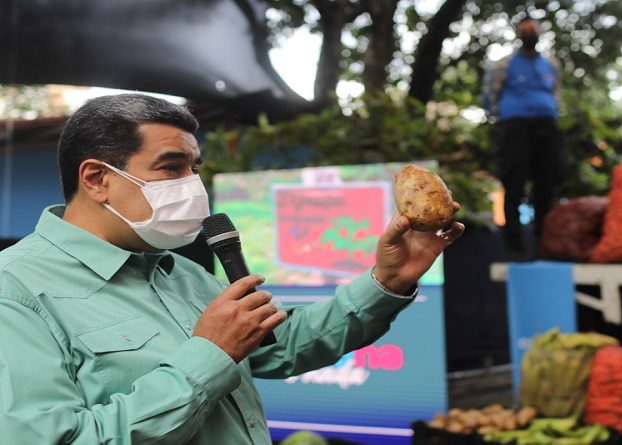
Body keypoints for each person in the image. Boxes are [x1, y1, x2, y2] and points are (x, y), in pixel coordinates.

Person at [0, 94, 464, 444]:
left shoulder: (176, 271)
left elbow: (278, 349)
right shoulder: (15, 289)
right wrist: (209, 356)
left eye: (194, 168)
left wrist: (388, 281)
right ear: (97, 180)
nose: (192, 186)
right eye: (171, 168)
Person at [483, 16, 563, 261]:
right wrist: (503, 121)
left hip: (546, 127)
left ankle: (544, 244)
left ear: (540, 33)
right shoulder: (504, 65)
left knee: (546, 186)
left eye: (533, 29)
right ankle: (514, 245)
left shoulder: (551, 64)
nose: (530, 33)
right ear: (518, 34)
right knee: (514, 184)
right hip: (515, 128)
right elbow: (490, 96)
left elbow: (556, 93)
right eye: (525, 30)